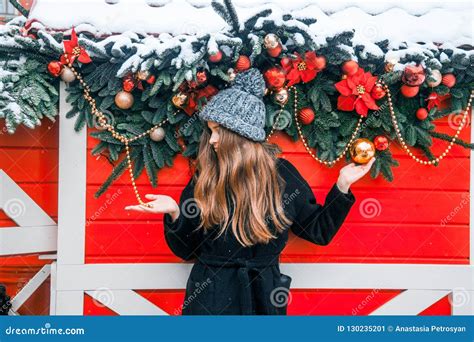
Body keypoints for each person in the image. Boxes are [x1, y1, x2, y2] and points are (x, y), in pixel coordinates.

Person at [125, 68, 375, 315]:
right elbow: (186, 249)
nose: (211, 140)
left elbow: (318, 230)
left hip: (263, 298)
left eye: (218, 131)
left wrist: (342, 186)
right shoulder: (207, 176)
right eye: (211, 131)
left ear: (240, 136)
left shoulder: (281, 174)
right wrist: (175, 213)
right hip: (210, 299)